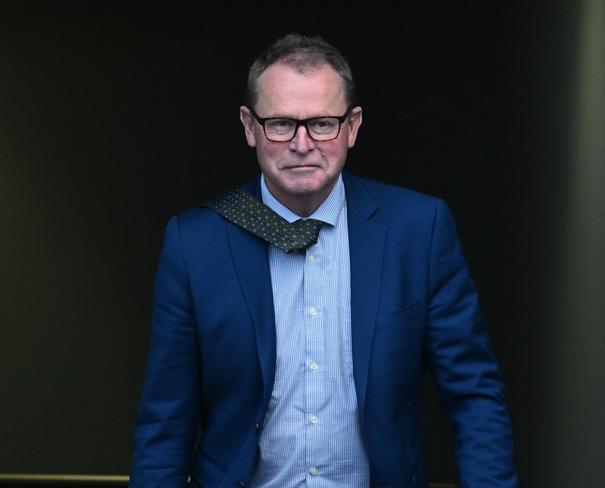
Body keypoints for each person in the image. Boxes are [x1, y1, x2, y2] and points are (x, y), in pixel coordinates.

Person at [130, 33, 518, 488]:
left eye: (321, 124)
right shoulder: (195, 244)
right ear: (249, 126)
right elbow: (166, 420)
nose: (301, 143)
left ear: (352, 126)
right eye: (280, 124)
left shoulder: (418, 230)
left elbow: (474, 396)